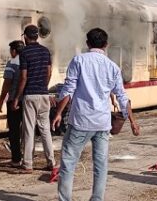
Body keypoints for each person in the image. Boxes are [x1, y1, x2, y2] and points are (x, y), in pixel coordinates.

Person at [52, 28, 140, 201]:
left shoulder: (78, 61)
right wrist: (132, 121)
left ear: (87, 43)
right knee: (100, 166)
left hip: (80, 122)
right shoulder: (112, 67)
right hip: (102, 124)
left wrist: (58, 113)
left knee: (68, 164)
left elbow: (68, 91)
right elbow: (122, 97)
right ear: (106, 45)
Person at [12, 25, 55, 173]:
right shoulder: (45, 51)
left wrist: (17, 97)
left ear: (25, 37)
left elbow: (23, 77)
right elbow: (49, 72)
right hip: (44, 94)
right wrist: (44, 86)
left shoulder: (24, 53)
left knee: (29, 129)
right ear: (37, 36)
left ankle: (28, 164)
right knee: (45, 130)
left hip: (30, 95)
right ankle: (51, 162)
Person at [0, 40, 25, 167]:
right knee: (27, 130)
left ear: (14, 51)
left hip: (14, 100)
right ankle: (27, 157)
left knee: (14, 131)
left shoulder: (12, 63)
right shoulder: (27, 62)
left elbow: (6, 84)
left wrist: (1, 100)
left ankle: (16, 159)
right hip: (27, 100)